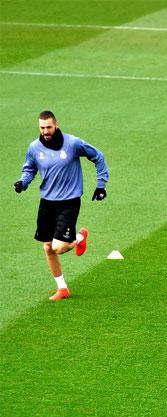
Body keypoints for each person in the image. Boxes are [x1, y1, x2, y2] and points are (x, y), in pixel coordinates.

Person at [14, 110, 109, 301]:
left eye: (49, 127)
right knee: (48, 247)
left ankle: (79, 236)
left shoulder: (73, 143)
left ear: (56, 124)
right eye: (42, 128)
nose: (46, 131)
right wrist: (23, 183)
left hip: (69, 201)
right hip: (47, 202)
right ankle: (62, 288)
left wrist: (101, 185)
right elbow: (29, 168)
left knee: (58, 247)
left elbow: (98, 156)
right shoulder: (34, 148)